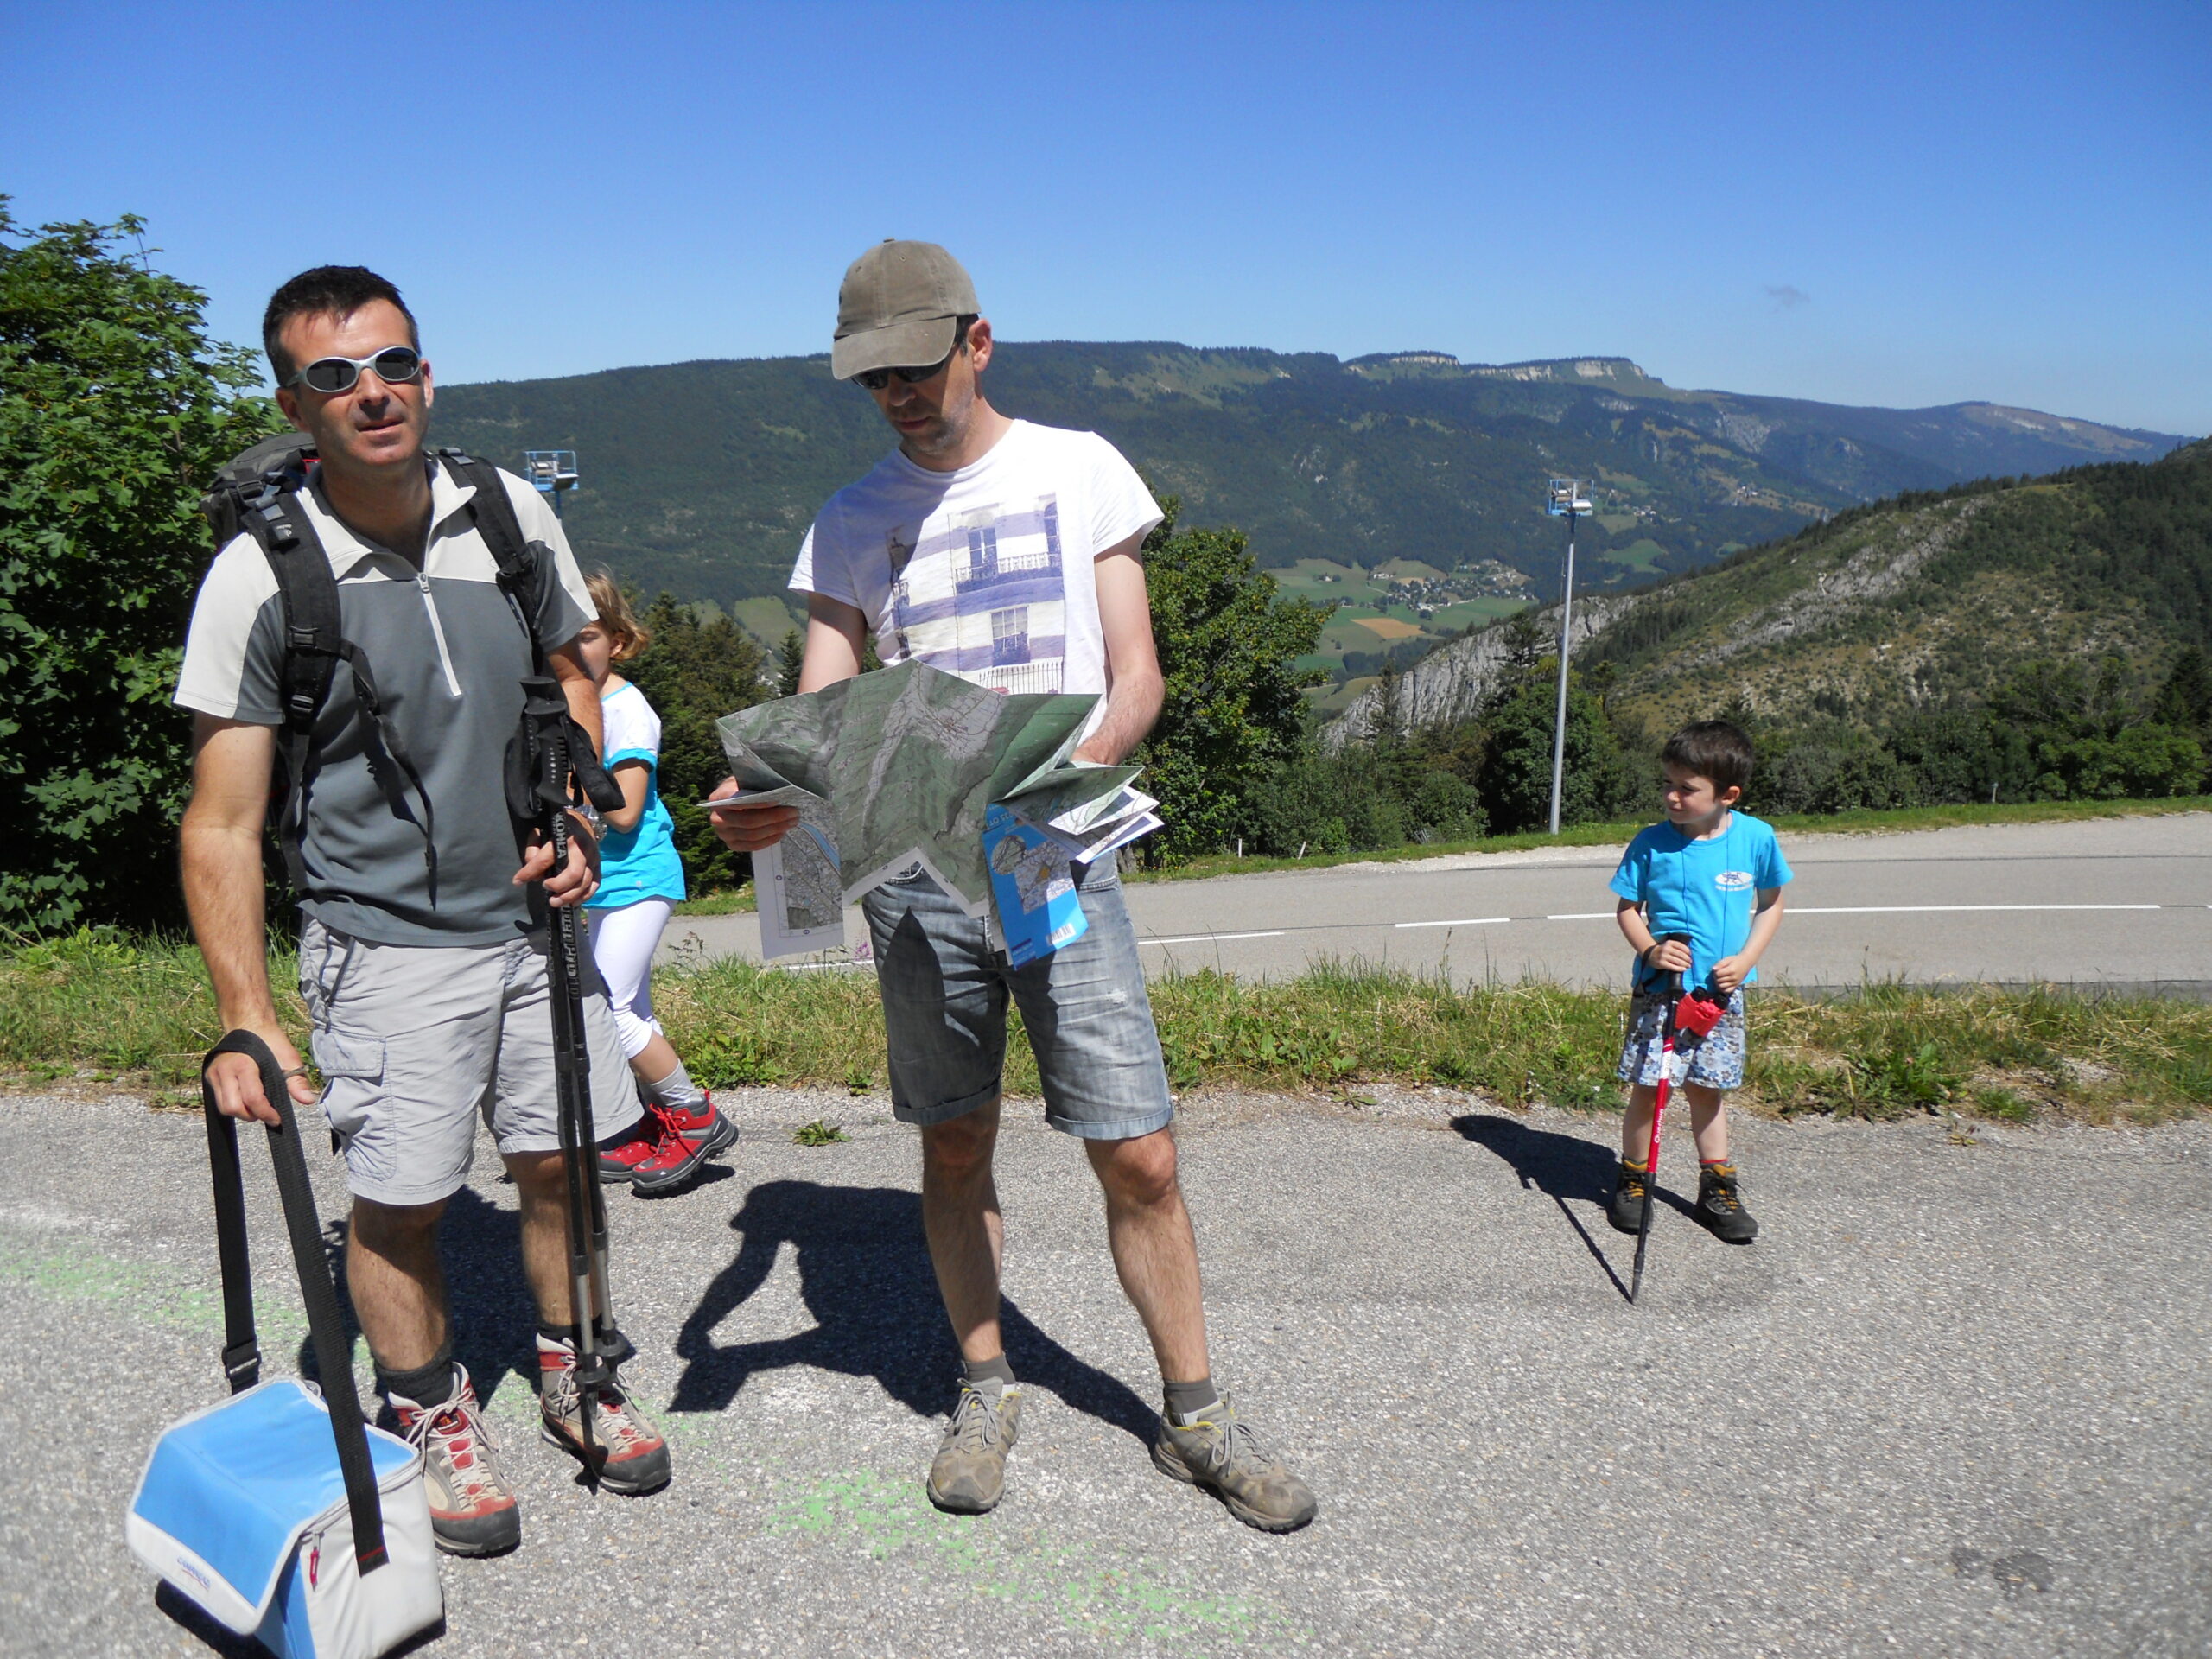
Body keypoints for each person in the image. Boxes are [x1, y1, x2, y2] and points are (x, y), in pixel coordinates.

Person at [709, 240, 1315, 1534]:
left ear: (978, 342)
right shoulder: (851, 516)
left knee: (1138, 1150)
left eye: (918, 368)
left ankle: (1196, 1415)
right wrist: (765, 798)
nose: (899, 396)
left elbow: (1136, 676)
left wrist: (1066, 776)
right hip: (922, 884)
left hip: (1056, 862)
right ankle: (986, 1388)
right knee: (955, 1140)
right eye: (873, 380)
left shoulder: (1080, 467)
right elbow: (825, 712)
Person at [176, 267, 671, 1560]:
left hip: (531, 933)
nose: (372, 393)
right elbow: (221, 823)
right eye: (334, 377)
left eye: (391, 364)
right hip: (381, 944)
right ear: (296, 403)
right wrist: (248, 1019)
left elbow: (577, 670)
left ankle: (575, 1368)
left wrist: (569, 810)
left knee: (562, 1162)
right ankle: (429, 1405)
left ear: (426, 375)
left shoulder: (510, 515)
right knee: (400, 1202)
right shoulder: (261, 575)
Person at [575, 573, 739, 1194]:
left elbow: (623, 811)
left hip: (638, 877)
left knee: (606, 1009)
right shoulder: (579, 704)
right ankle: (654, 1127)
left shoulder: (625, 710)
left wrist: (567, 790)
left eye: (587, 636)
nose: (574, 650)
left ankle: (694, 1119)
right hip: (607, 884)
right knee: (631, 1009)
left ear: (618, 641)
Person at [1606, 720, 1792, 1244]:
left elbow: (1772, 904)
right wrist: (1651, 948)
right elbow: (1626, 909)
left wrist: (1746, 958)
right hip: (1661, 994)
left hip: (1719, 997)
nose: (1672, 796)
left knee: (1706, 1091)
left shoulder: (1757, 838)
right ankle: (1634, 1179)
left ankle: (1717, 1186)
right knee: (1650, 1089)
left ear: (1727, 794)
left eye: (1687, 788)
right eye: (1667, 782)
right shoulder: (1650, 844)